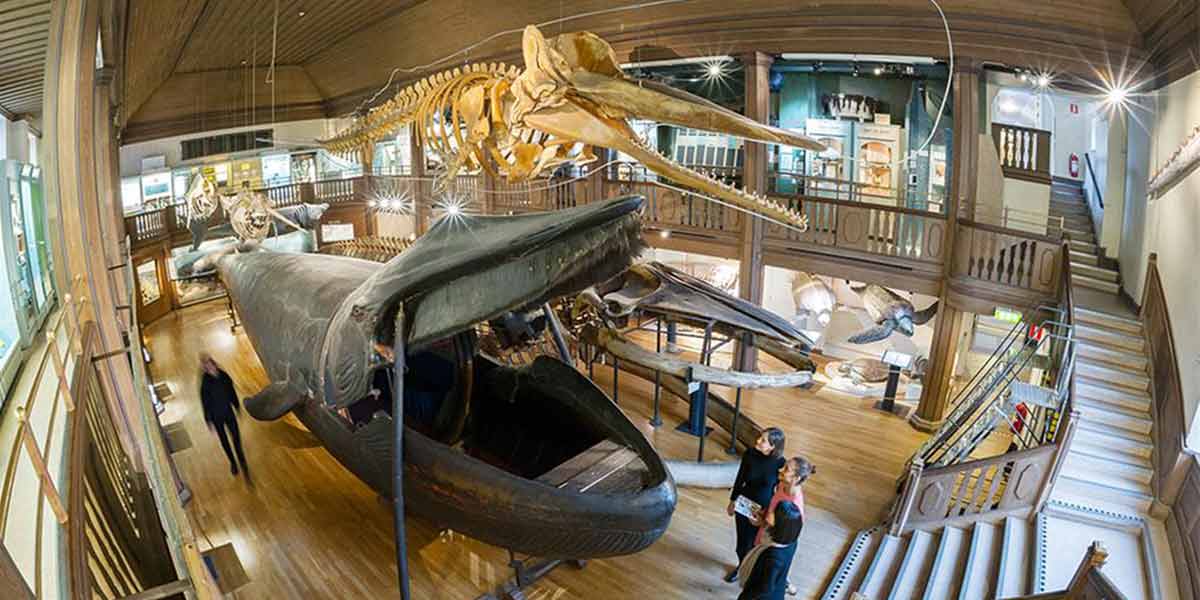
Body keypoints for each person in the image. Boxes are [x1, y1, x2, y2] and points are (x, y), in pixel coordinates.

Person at [725, 427, 786, 583]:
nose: (758, 441)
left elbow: (780, 492)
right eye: (760, 437)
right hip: (744, 503)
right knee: (741, 543)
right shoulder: (750, 454)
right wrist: (732, 501)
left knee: (754, 543)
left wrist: (768, 514)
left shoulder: (780, 464)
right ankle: (741, 567)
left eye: (763, 440)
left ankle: (751, 572)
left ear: (773, 446)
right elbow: (740, 479)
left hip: (762, 508)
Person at [754, 457, 815, 596]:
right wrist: (764, 515)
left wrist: (765, 522)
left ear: (796, 478)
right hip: (769, 531)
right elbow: (773, 508)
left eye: (786, 469)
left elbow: (786, 534)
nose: (780, 470)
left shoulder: (795, 506)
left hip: (777, 541)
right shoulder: (782, 485)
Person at [737, 501, 803, 600]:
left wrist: (745, 597)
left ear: (780, 523)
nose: (770, 512)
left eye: (774, 512)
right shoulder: (791, 540)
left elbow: (765, 588)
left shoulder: (774, 556)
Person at [200, 354, 249, 478]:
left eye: (210, 364)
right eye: (206, 366)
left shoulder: (224, 376)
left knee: (236, 438)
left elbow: (232, 392)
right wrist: (208, 421)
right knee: (224, 441)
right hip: (217, 417)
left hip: (228, 413)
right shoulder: (205, 383)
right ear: (205, 368)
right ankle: (233, 463)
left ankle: (242, 460)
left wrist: (237, 406)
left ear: (214, 364)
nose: (209, 367)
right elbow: (205, 403)